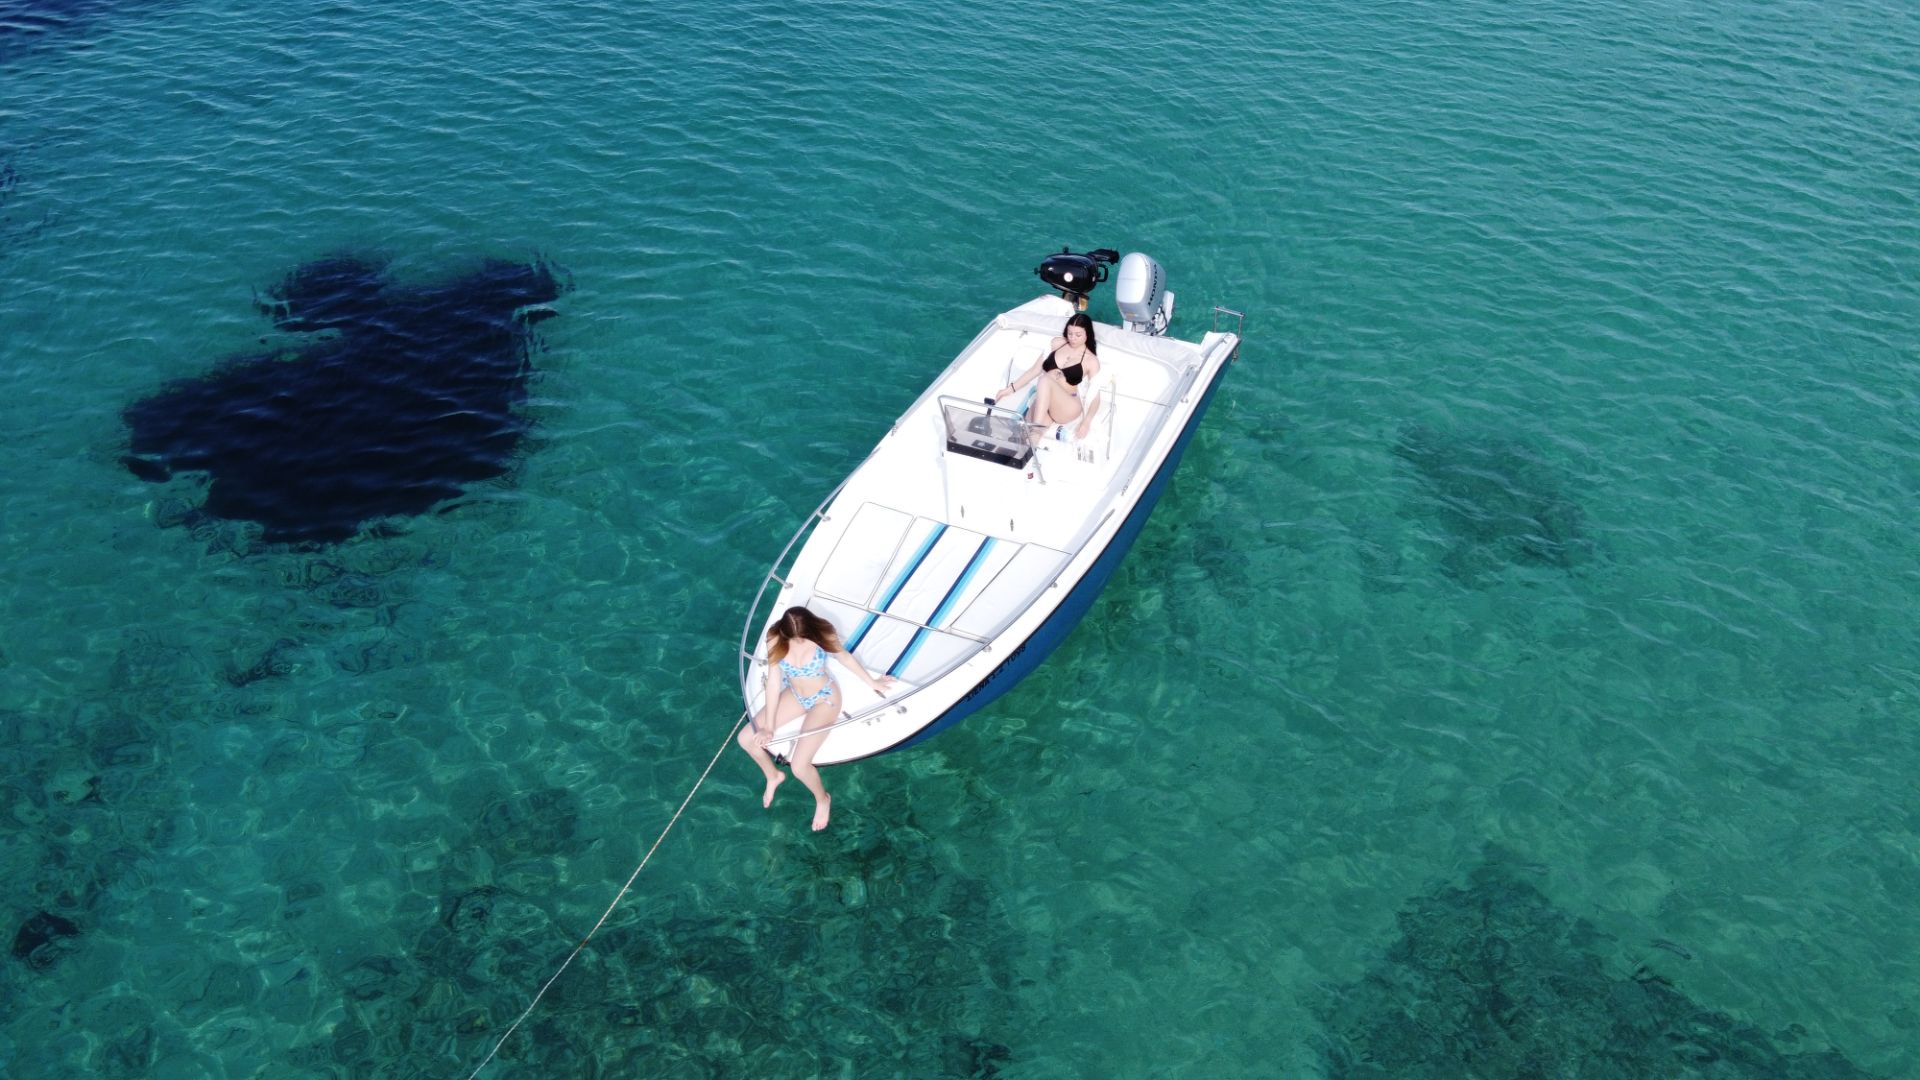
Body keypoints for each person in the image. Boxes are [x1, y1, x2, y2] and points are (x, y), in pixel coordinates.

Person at [737, 606, 895, 831]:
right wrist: (768, 727)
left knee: (800, 767)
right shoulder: (774, 637)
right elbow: (773, 683)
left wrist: (873, 683)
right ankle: (773, 776)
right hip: (795, 694)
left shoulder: (822, 633)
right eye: (793, 638)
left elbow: (845, 658)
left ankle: (822, 799)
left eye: (802, 638)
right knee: (745, 739)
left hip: (824, 699)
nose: (798, 642)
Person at [991, 311, 1103, 443]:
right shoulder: (1056, 344)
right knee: (1022, 438)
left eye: (1078, 335)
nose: (1072, 338)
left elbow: (1095, 396)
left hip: (1067, 406)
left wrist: (1086, 423)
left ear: (1087, 334)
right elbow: (1034, 370)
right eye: (1070, 333)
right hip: (1046, 402)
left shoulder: (1091, 360)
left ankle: (1035, 429)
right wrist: (1009, 389)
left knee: (1044, 380)